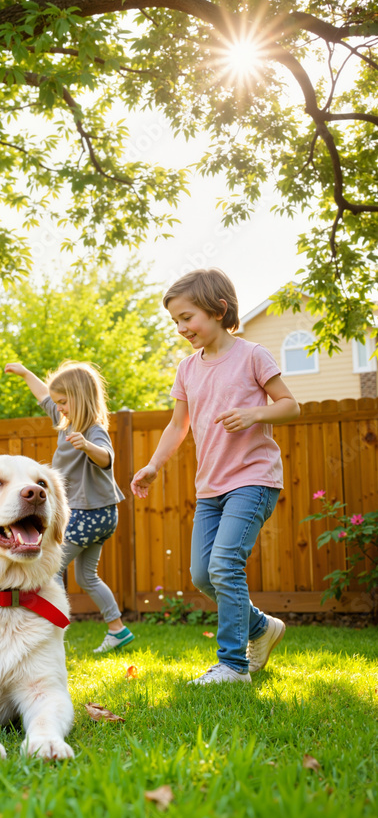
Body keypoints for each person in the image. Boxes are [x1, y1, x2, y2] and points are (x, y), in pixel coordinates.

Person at [131, 268, 300, 685]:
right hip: (210, 487)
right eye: (175, 321)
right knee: (204, 575)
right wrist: (154, 464)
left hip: (253, 479)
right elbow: (177, 426)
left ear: (219, 309)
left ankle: (233, 665)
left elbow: (290, 406)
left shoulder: (252, 356)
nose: (181, 327)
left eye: (187, 317)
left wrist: (254, 413)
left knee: (225, 564)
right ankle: (262, 627)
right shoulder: (187, 369)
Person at [4, 360, 133, 655]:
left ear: (80, 397)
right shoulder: (66, 421)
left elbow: (106, 458)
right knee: (86, 577)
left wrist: (87, 445)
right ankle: (118, 630)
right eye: (57, 402)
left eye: (63, 402)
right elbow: (43, 395)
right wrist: (25, 372)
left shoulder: (93, 429)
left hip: (89, 514)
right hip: (100, 515)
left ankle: (50, 632)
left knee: (46, 570)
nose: (58, 407)